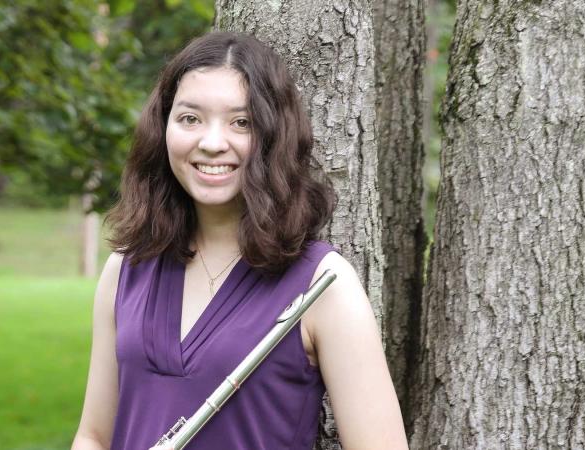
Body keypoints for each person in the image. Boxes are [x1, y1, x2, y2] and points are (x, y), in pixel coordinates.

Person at [71, 32, 408, 450]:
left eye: (241, 122)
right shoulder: (127, 268)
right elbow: (93, 436)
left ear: (272, 135)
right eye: (190, 119)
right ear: (163, 128)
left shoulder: (325, 284)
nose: (212, 143)